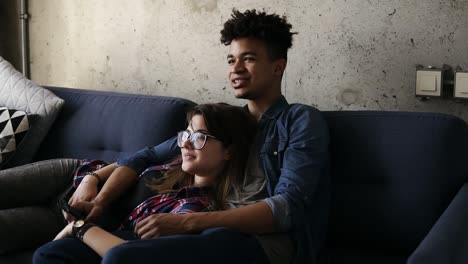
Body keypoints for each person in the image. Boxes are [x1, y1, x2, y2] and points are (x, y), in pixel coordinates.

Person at [36, 9, 330, 264]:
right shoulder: (227, 121)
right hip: (203, 229)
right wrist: (98, 199)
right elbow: (145, 156)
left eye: (248, 59)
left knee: (121, 257)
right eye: (231, 60)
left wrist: (187, 222)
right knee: (52, 253)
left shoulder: (300, 120)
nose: (235, 69)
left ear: (278, 66)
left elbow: (286, 209)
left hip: (263, 244)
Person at [32, 103, 258, 262]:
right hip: (78, 182)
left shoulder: (196, 208)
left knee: (49, 253)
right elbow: (138, 158)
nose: (186, 144)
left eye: (199, 137)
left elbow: (131, 254)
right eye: (186, 135)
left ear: (229, 151)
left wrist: (79, 228)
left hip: (85, 226)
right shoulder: (171, 167)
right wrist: (92, 181)